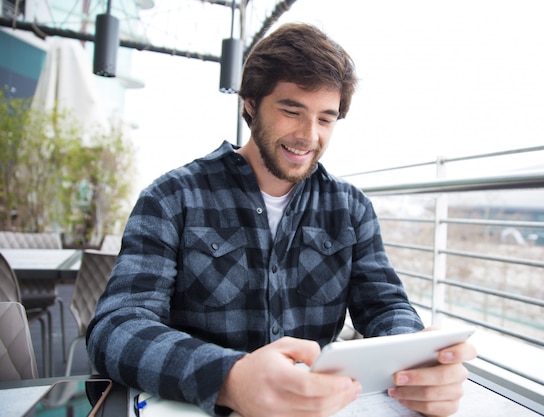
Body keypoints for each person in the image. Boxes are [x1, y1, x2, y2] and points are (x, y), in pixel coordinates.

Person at [86, 23, 476, 417]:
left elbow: (385, 306)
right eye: (292, 111)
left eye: (326, 119)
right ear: (251, 102)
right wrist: (230, 378)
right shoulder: (172, 197)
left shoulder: (351, 209)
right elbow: (117, 327)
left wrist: (415, 359)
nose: (309, 135)